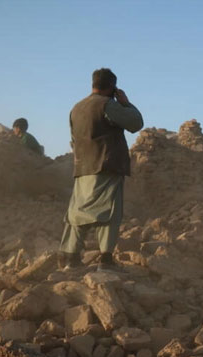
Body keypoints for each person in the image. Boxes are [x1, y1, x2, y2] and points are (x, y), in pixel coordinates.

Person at [58, 68, 144, 271]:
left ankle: (70, 257)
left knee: (78, 212)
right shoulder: (108, 105)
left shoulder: (76, 108)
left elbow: (73, 139)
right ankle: (105, 260)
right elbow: (135, 123)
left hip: (83, 168)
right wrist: (125, 103)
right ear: (112, 87)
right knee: (109, 212)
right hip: (106, 165)